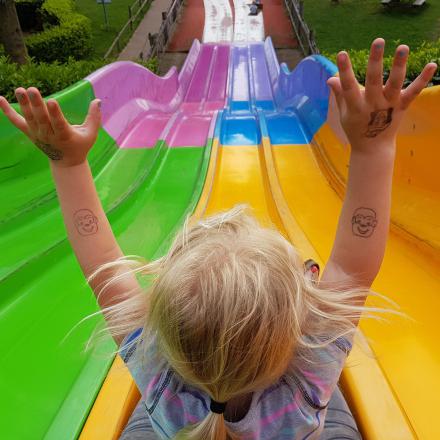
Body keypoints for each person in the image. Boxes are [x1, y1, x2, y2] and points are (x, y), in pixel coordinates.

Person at [0, 38, 436, 439]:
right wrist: (374, 147)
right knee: (338, 400)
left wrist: (67, 163)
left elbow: (100, 265)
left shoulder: (159, 375)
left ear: (161, 328)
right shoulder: (308, 377)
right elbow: (353, 265)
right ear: (299, 330)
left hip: (183, 427)